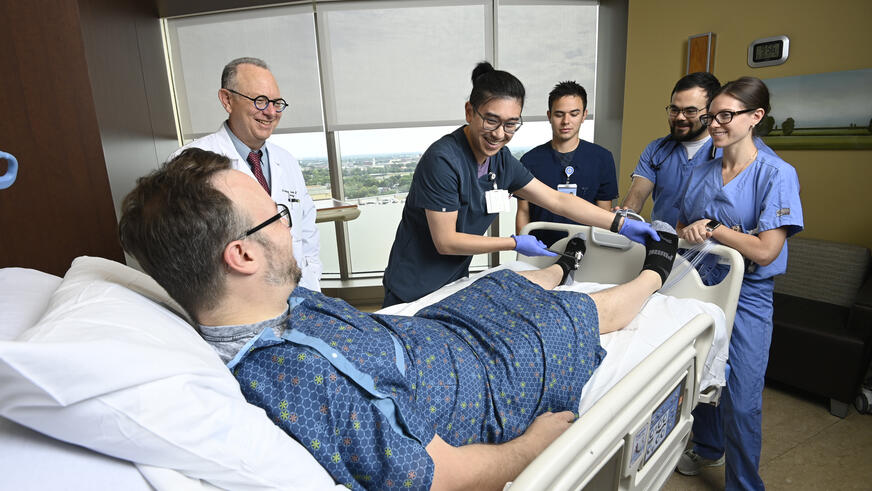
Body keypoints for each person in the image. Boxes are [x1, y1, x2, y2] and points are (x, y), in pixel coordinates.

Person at [118, 147, 680, 490]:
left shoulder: (275, 304)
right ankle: (654, 273)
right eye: (277, 218)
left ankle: (563, 265)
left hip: (427, 335)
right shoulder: (301, 376)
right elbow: (437, 477)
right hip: (485, 381)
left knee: (500, 286)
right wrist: (533, 446)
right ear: (239, 255)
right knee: (569, 318)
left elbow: (541, 194)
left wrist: (610, 219)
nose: (289, 229)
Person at [383, 62, 658, 307]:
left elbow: (557, 200)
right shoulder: (443, 160)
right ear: (470, 112)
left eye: (511, 124)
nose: (500, 134)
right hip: (414, 285)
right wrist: (513, 242)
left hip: (453, 281)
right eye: (492, 120)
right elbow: (446, 241)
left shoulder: (501, 161)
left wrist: (619, 224)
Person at [674, 77, 803, 490]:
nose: (715, 124)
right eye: (713, 115)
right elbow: (682, 224)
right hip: (702, 283)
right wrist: (692, 232)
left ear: (755, 118)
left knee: (743, 401)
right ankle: (708, 447)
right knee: (703, 379)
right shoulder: (701, 169)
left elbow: (765, 251)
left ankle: (744, 484)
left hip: (747, 297)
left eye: (727, 115)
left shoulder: (776, 174)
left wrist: (713, 229)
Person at [175, 57, 322, 291]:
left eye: (276, 102)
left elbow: (306, 232)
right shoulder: (190, 163)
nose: (271, 112)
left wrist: (312, 279)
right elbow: (185, 248)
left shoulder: (287, 161)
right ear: (227, 100)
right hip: (240, 301)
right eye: (260, 101)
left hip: (300, 292)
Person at [515, 81, 618, 247]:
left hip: (587, 251)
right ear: (549, 116)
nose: (566, 121)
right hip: (540, 249)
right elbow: (523, 212)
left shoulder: (602, 158)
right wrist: (524, 249)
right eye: (559, 114)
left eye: (574, 114)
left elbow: (603, 213)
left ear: (584, 115)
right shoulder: (530, 160)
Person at [619, 72, 722, 227]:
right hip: (662, 245)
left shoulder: (727, 152)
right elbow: (637, 195)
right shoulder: (656, 150)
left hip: (709, 248)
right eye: (674, 110)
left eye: (690, 111)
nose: (680, 117)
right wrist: (624, 217)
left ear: (710, 112)